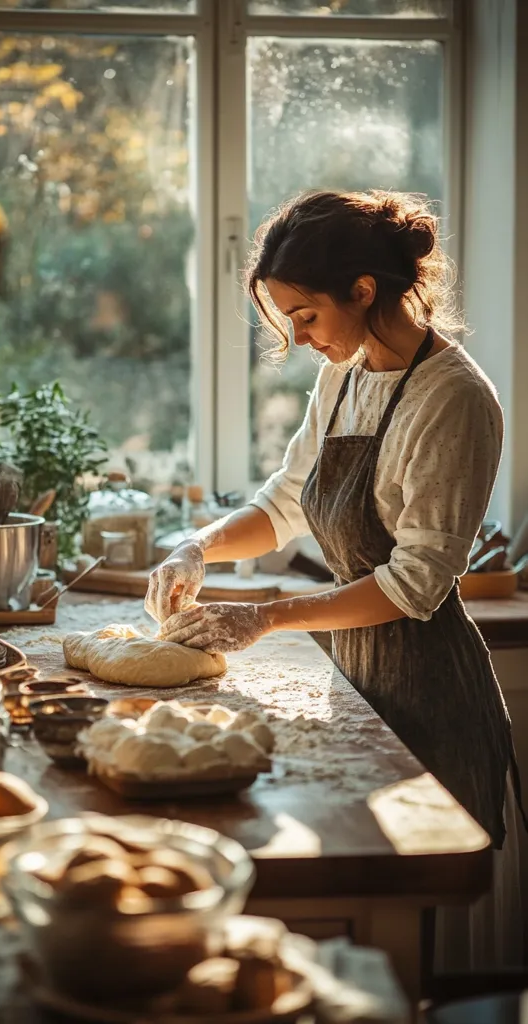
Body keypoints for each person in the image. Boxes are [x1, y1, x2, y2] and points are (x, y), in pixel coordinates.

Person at [146, 189, 525, 971]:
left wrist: (263, 617)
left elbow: (415, 582)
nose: (299, 336)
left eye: (306, 315)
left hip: (428, 694)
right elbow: (284, 504)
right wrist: (197, 546)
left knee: (403, 941)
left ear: (363, 289)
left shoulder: (453, 399)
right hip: (355, 678)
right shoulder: (344, 377)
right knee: (345, 924)